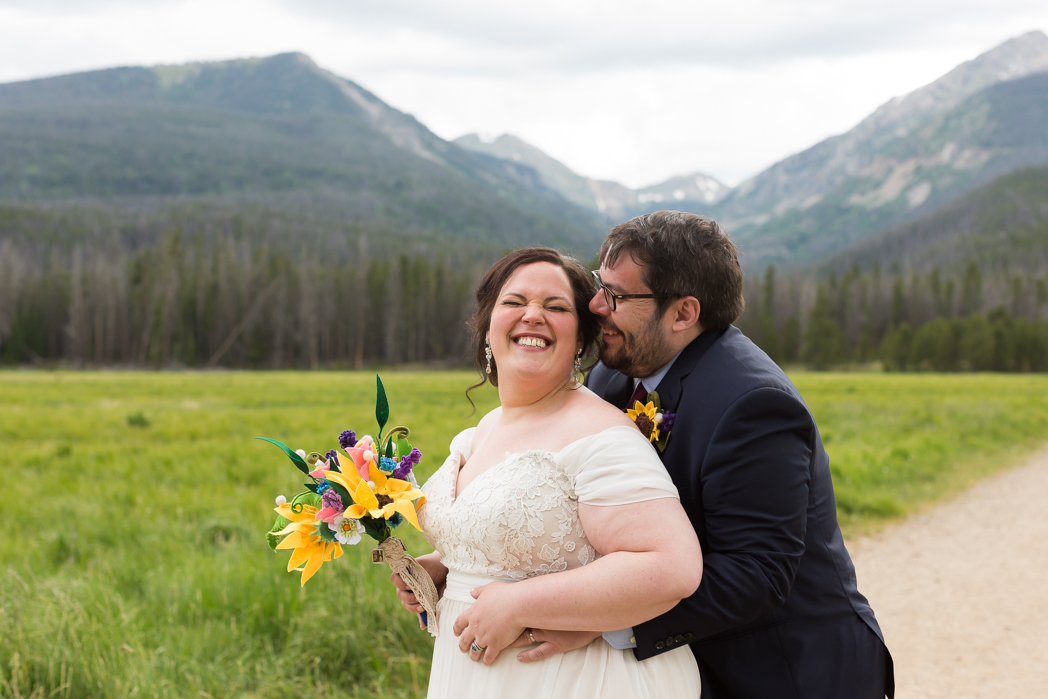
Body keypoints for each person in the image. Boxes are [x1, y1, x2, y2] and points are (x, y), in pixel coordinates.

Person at [511, 211, 892, 697]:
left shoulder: (753, 405)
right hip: (687, 666)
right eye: (599, 285)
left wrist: (605, 620)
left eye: (618, 296)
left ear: (684, 313)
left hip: (787, 670)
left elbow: (755, 574)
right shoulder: (611, 375)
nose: (596, 306)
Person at [392, 246, 705, 698]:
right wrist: (447, 569)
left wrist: (518, 604)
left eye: (555, 307)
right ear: (488, 324)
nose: (532, 316)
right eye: (515, 302)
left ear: (581, 338)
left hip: (574, 680)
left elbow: (672, 567)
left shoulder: (600, 433)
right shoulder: (483, 430)